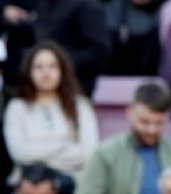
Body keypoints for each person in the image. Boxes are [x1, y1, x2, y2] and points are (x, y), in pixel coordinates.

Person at [3, 42, 99, 184]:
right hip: (30, 186)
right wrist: (65, 142)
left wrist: (38, 152)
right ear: (29, 71)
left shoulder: (81, 106)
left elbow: (88, 153)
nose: (45, 72)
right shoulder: (17, 108)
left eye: (52, 66)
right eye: (39, 67)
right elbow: (20, 153)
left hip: (73, 183)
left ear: (62, 70)